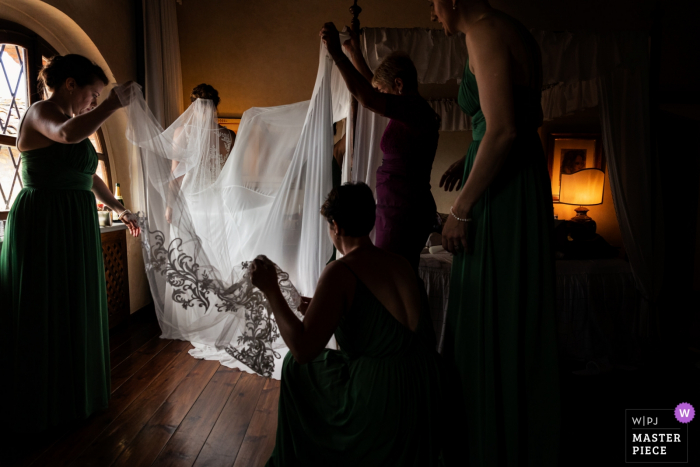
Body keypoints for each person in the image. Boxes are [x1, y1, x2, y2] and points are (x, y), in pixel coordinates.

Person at [431, 1, 560, 465]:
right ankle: (513, 433)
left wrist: (461, 208)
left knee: (494, 305)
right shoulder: (511, 29)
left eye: (431, 2)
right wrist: (464, 162)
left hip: (503, 192)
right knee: (511, 310)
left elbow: (503, 130)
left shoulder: (482, 31)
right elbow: (509, 124)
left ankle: (493, 443)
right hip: (518, 179)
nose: (432, 14)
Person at [250, 182, 446, 466]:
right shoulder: (400, 263)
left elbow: (304, 349)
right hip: (428, 385)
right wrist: (315, 305)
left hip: (386, 394)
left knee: (294, 364)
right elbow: (375, 317)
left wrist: (271, 290)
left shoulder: (340, 270)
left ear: (336, 226)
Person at [0, 54, 140, 432]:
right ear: (70, 84)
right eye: (92, 94)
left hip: (74, 222)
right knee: (44, 306)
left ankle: (73, 395)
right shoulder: (39, 114)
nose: (94, 102)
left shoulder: (75, 123)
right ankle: (40, 403)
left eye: (98, 98)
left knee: (73, 302)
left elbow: (87, 174)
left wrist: (118, 207)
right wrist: (113, 104)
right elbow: (66, 136)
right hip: (44, 221)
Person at [320, 24, 440, 272]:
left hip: (404, 208)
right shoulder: (408, 110)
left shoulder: (415, 110)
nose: (383, 98)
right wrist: (355, 54)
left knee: (391, 273)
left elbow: (369, 97)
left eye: (386, 91)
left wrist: (337, 55)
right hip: (395, 204)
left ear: (398, 84)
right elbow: (372, 89)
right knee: (391, 270)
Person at [165, 83, 235, 223]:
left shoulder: (182, 132)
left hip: (191, 202)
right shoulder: (230, 135)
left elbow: (176, 174)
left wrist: (170, 205)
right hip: (219, 202)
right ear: (215, 107)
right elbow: (231, 173)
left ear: (193, 107)